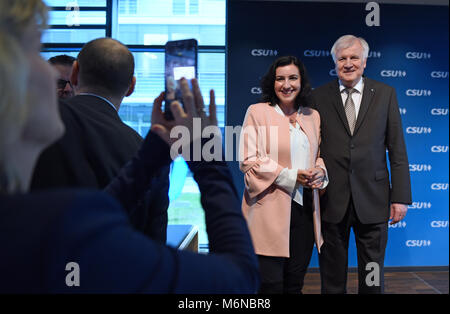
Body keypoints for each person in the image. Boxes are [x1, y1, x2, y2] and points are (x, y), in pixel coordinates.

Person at [0, 0, 259, 293]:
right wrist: (207, 157)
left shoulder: (26, 221)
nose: (51, 75)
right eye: (34, 50)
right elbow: (240, 279)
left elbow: (89, 217)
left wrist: (154, 153)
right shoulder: (66, 238)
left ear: (76, 73)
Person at [31, 38, 170, 243]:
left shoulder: (31, 127)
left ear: (75, 73)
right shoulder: (147, 154)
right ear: (131, 86)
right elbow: (154, 245)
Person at [312, 35, 412, 294]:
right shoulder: (317, 97)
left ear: (365, 61)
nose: (348, 63)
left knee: (372, 275)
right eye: (342, 58)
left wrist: (400, 198)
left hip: (374, 199)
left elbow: (397, 149)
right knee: (332, 277)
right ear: (334, 62)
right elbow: (311, 147)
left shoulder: (385, 94)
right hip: (331, 199)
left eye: (354, 57)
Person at [239, 56, 328, 294]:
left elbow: (317, 155)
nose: (286, 84)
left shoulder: (312, 115)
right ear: (272, 82)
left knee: (294, 284)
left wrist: (320, 172)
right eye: (280, 79)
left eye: (292, 78)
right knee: (270, 286)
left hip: (305, 213)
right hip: (267, 212)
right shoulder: (257, 112)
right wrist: (291, 176)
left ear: (302, 82)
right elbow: (249, 162)